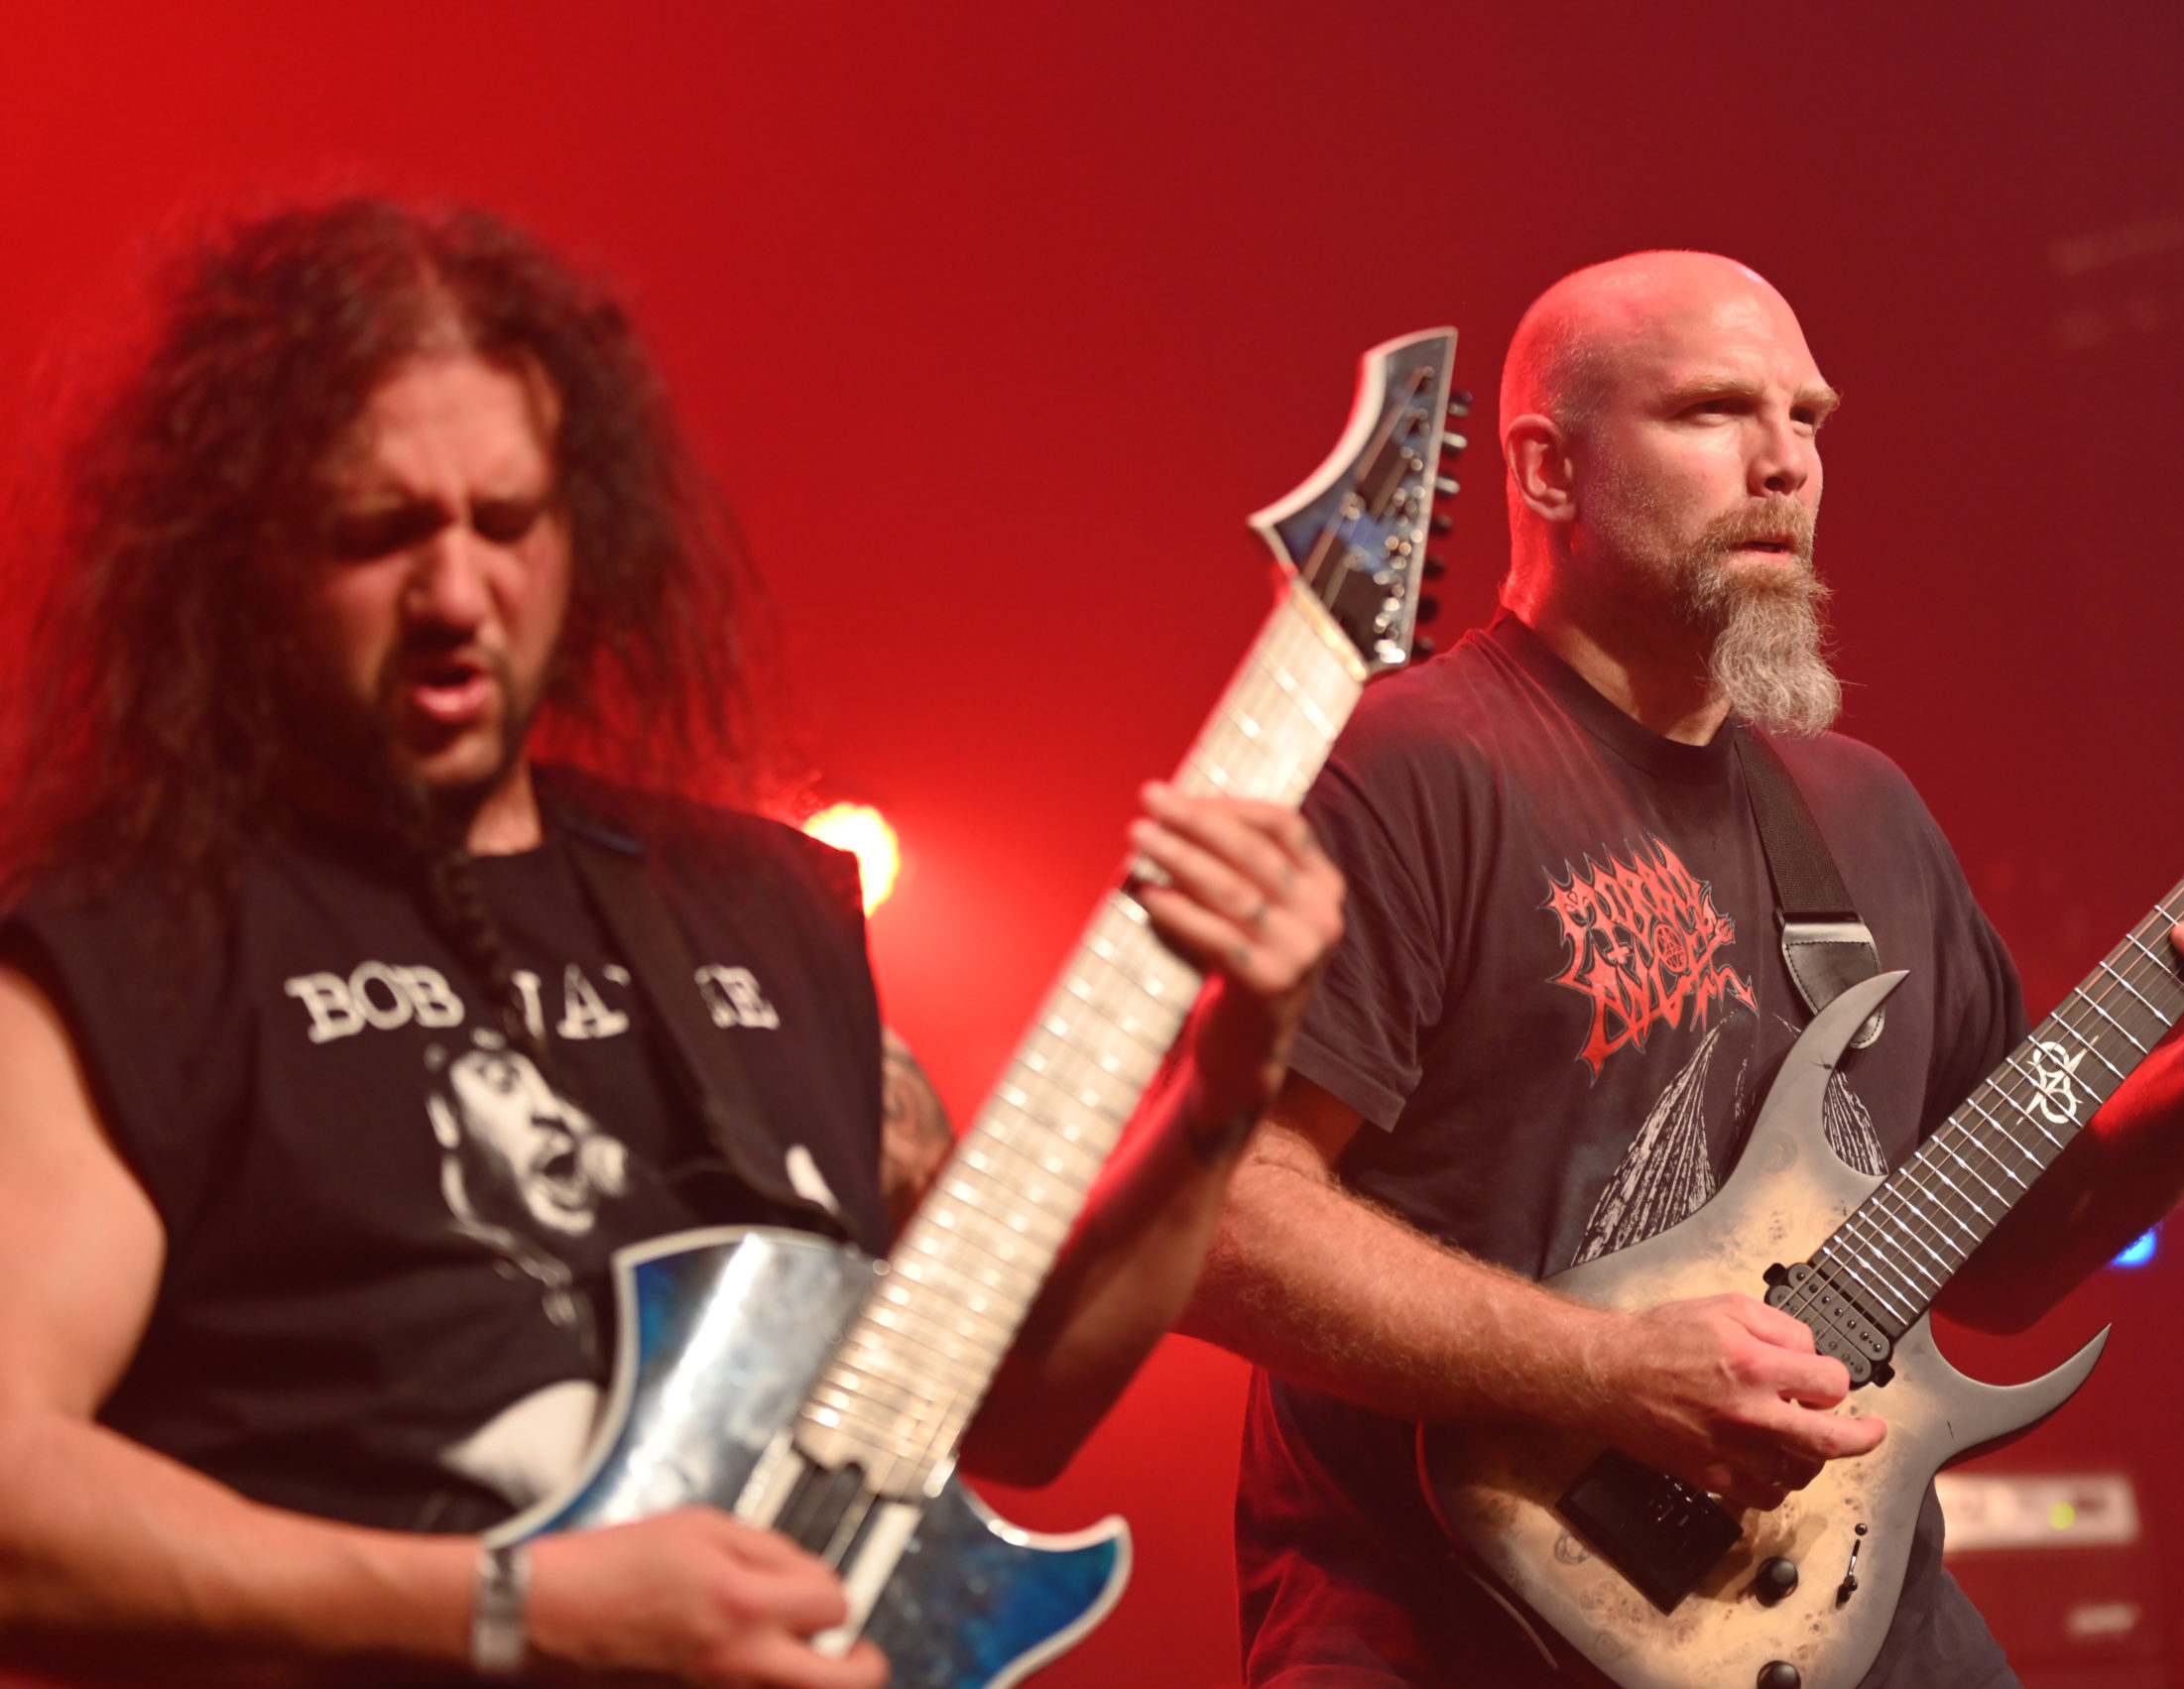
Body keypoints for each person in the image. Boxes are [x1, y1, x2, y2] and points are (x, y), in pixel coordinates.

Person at [0, 198, 1344, 1687]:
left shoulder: (754, 909)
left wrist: (1230, 1069)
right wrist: (515, 1610)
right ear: (239, 556)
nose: (457, 594)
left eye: (506, 523)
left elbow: (1011, 1404)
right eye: (379, 533)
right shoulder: (133, 949)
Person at [1181, 250, 2184, 1686]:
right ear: (1548, 470)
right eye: (1714, 411)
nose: (1784, 462)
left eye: (1809, 418)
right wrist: (1605, 1372)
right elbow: (1216, 1219)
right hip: (1457, 1637)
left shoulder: (1864, 811)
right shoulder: (1410, 766)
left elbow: (2003, 1263)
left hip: (1840, 1624)